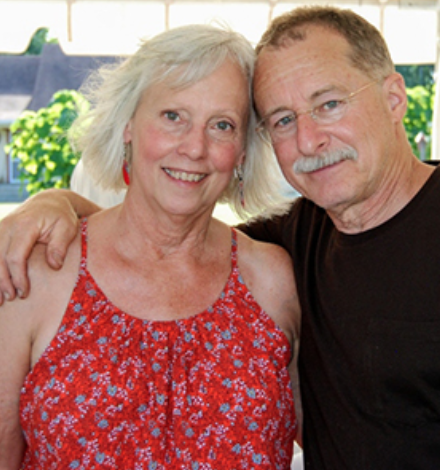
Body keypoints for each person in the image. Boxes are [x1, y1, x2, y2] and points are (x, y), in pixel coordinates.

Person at [1, 5, 440, 469]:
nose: (308, 140)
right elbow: (159, 240)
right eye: (283, 120)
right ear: (128, 125)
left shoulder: (276, 276)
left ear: (394, 98)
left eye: (329, 104)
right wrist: (56, 203)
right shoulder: (290, 247)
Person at [0, 23, 302, 470]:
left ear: (242, 152)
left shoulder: (273, 282)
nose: (195, 147)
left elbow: (340, 439)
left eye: (222, 125)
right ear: (128, 126)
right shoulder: (38, 274)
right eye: (173, 116)